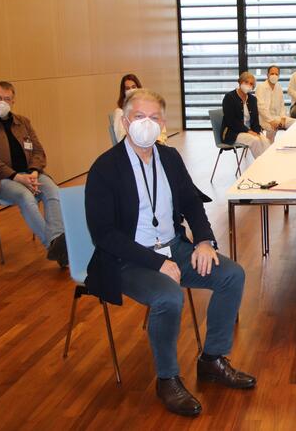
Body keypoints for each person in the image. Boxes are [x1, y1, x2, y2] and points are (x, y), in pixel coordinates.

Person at [85, 89, 255, 417]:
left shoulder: (170, 158)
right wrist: (156, 262)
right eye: (139, 117)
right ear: (124, 121)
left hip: (174, 248)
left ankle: (212, 360)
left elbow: (192, 202)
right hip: (128, 259)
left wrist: (204, 240)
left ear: (163, 123)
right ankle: (167, 379)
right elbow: (104, 235)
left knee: (232, 275)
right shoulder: (105, 168)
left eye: (154, 118)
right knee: (168, 297)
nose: (146, 124)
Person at [0, 81, 68, 267]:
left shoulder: (23, 122)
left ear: (13, 101)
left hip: (29, 174)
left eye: (7, 99)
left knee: (53, 190)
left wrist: (34, 172)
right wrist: (16, 177)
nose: (2, 102)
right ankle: (55, 245)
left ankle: (57, 243)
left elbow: (38, 151)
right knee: (25, 195)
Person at [221, 71, 270, 158]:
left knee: (265, 141)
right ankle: (262, 167)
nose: (248, 85)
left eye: (251, 84)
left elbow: (255, 120)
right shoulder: (229, 97)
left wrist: (257, 132)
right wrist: (248, 131)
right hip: (232, 132)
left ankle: (268, 164)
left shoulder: (252, 99)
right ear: (240, 82)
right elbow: (231, 121)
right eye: (246, 82)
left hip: (250, 131)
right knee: (255, 141)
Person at [255, 65, 295, 142]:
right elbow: (261, 107)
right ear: (267, 75)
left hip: (278, 118)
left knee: (295, 123)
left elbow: (282, 104)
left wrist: (283, 118)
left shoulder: (278, 87)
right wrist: (271, 121)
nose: (274, 76)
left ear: (279, 76)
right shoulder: (261, 87)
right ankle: (268, 147)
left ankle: (290, 144)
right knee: (272, 128)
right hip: (264, 119)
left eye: (276, 74)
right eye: (272, 73)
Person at [113, 74, 142, 142]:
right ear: (124, 92)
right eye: (127, 88)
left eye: (134, 87)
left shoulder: (145, 108)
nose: (131, 90)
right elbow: (121, 138)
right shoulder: (120, 112)